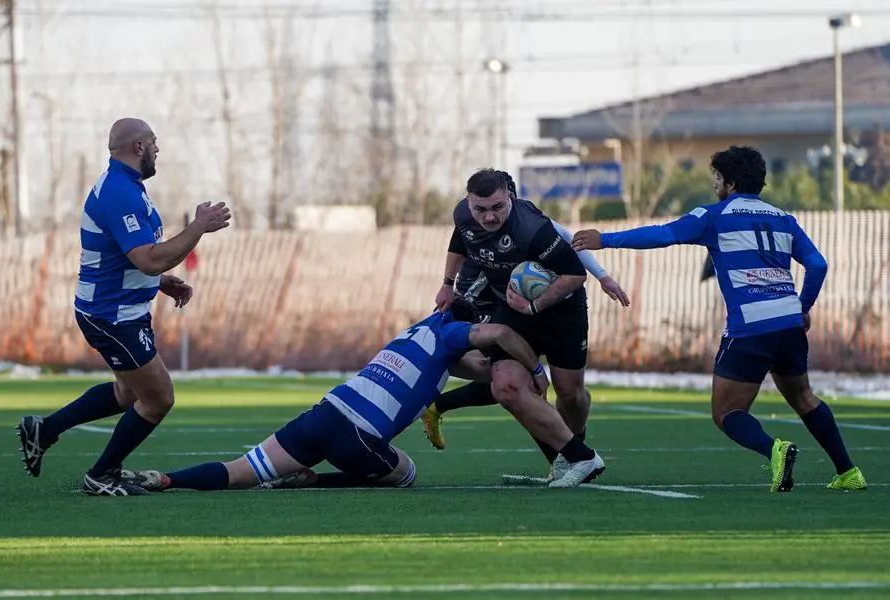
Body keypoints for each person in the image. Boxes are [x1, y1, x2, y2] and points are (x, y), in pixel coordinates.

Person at [571, 145, 866, 492]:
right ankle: (848, 472)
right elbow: (818, 265)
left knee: (726, 413)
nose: (714, 185)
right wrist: (803, 307)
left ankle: (775, 450)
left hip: (751, 327)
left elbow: (664, 234)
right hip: (788, 323)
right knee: (804, 398)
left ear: (731, 182)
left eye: (717, 178)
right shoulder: (784, 219)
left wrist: (605, 239)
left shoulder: (714, 216)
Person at [127, 300, 604, 492]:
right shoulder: (455, 333)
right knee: (407, 474)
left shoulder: (418, 338)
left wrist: (512, 370)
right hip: (356, 437)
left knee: (242, 471)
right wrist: (537, 366)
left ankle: (166, 479)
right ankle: (315, 483)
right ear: (466, 322)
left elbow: (480, 372)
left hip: (324, 413)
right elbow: (496, 331)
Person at [16, 117, 232, 496]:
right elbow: (148, 258)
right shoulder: (120, 192)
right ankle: (102, 474)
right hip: (111, 317)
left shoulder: (127, 186)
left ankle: (44, 430)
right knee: (159, 398)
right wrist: (198, 227)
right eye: (154, 142)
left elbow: (128, 258)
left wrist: (159, 282)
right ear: (138, 147)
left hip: (118, 310)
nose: (158, 149)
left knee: (127, 394)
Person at [424, 171, 630, 463]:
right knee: (507, 382)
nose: (489, 216)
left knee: (569, 393)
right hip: (508, 305)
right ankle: (570, 458)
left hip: (559, 307)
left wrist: (601, 277)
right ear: (469, 203)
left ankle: (572, 449)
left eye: (497, 207)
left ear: (510, 196)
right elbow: (460, 237)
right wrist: (447, 284)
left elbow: (573, 267)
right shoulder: (465, 214)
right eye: (480, 209)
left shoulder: (532, 228)